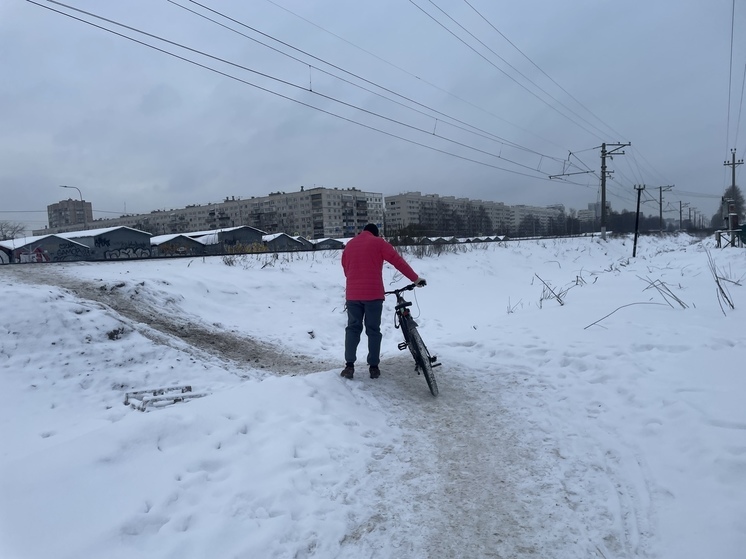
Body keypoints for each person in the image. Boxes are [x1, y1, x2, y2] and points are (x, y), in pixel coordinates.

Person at [340, 223, 426, 380]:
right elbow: (397, 261)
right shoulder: (378, 242)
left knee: (352, 328)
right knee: (373, 330)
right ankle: (373, 367)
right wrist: (415, 279)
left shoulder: (350, 244)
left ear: (363, 231)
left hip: (353, 295)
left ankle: (349, 366)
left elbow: (346, 269)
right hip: (373, 295)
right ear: (375, 233)